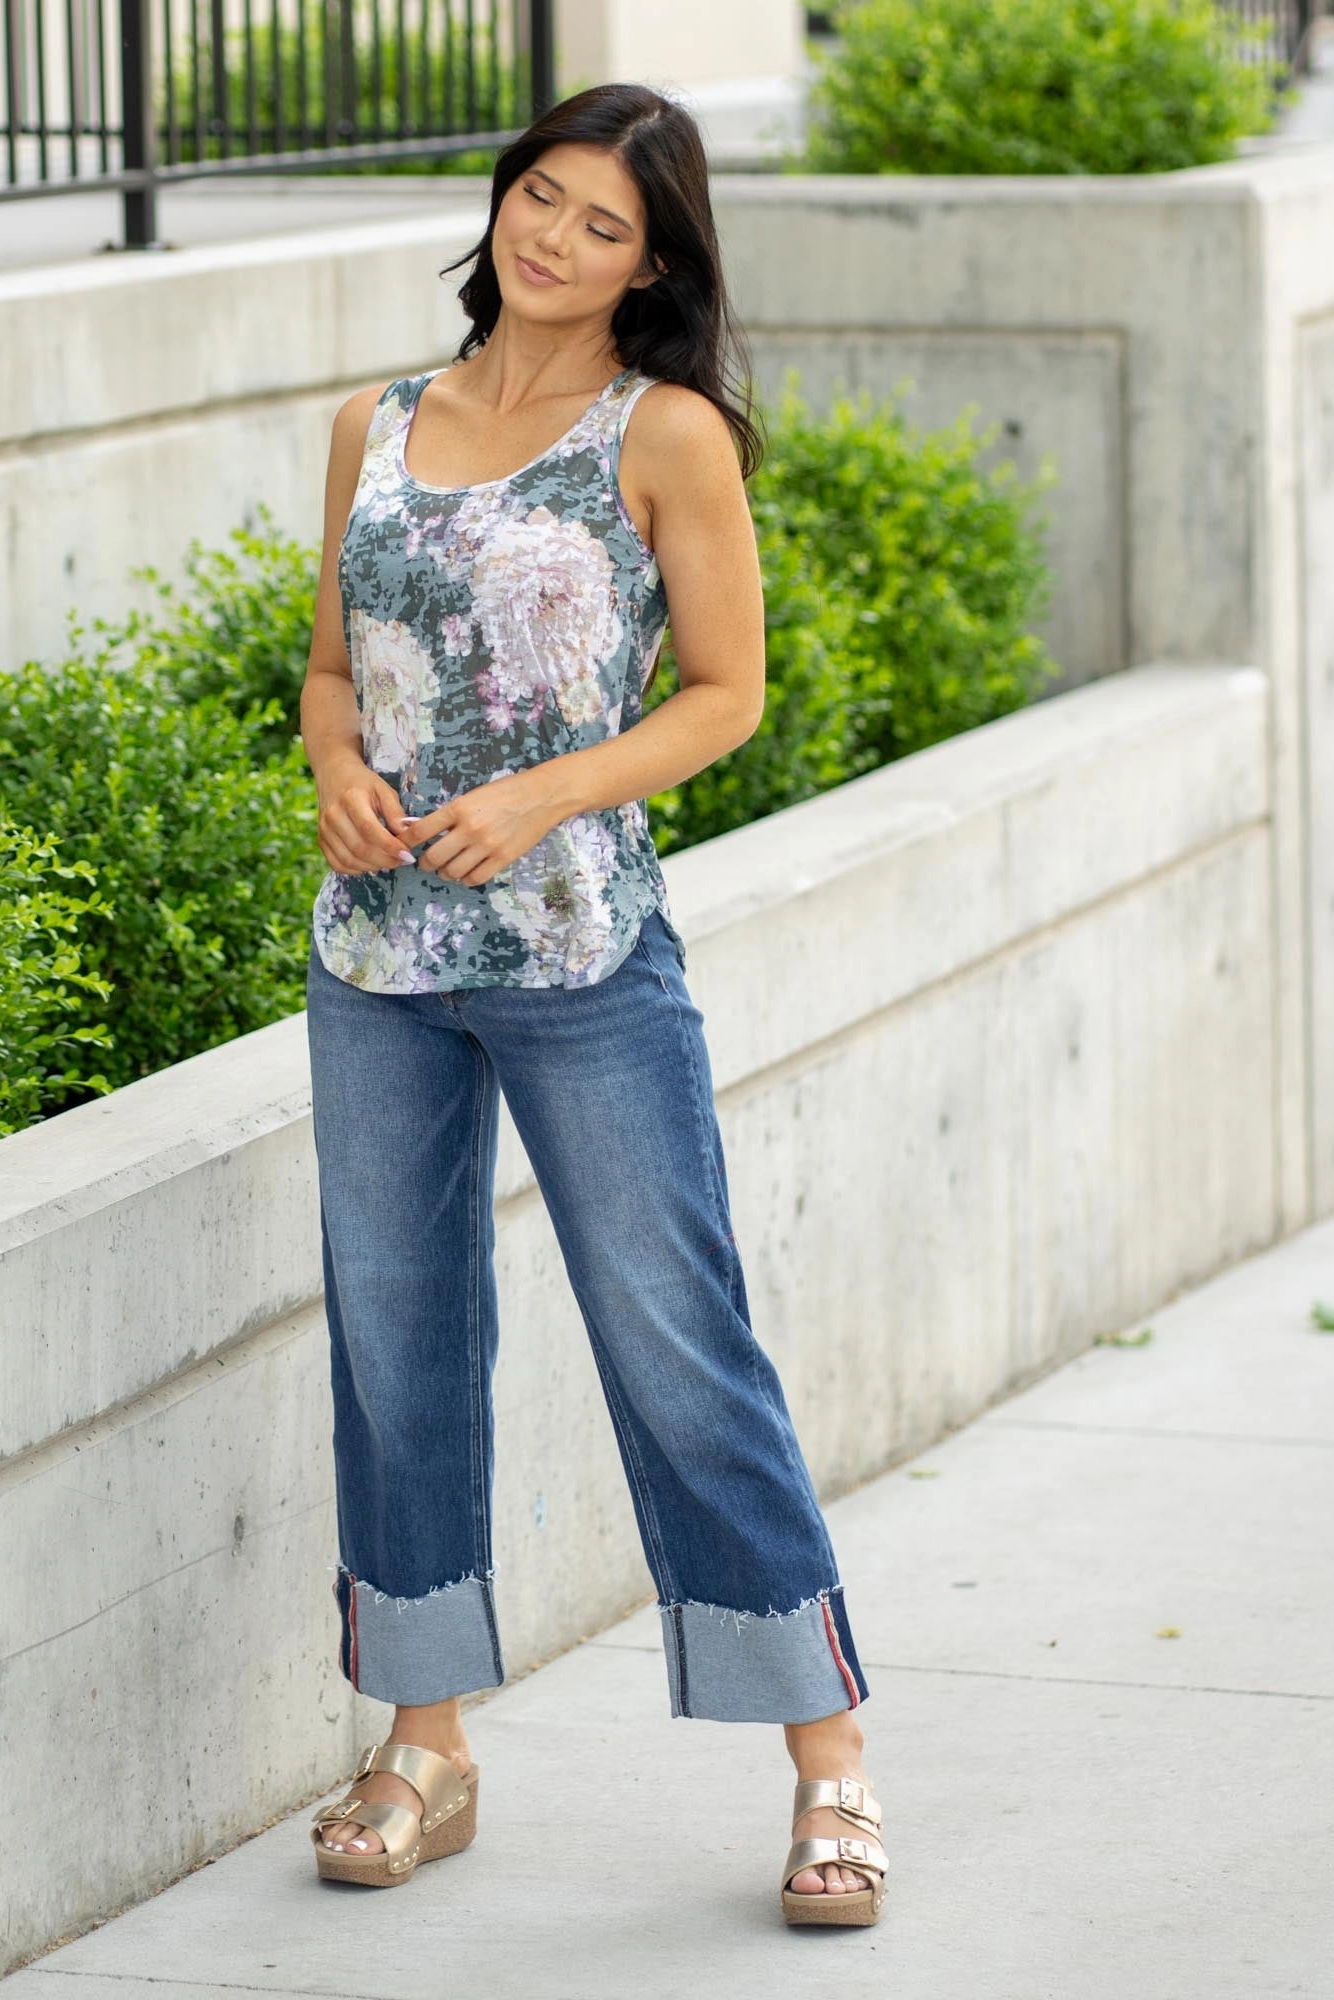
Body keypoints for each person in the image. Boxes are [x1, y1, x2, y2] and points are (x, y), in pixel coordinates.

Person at [297, 81, 887, 1928]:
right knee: (398, 1352)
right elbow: (331, 668)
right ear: (501, 204)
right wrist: (330, 765)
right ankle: (426, 1745)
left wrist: (549, 789)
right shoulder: (378, 423)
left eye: (602, 223)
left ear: (654, 261)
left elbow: (726, 692)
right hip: (376, 964)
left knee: (673, 1341)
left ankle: (831, 1763)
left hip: (580, 959)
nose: (554, 239)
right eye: (539, 198)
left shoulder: (670, 431)